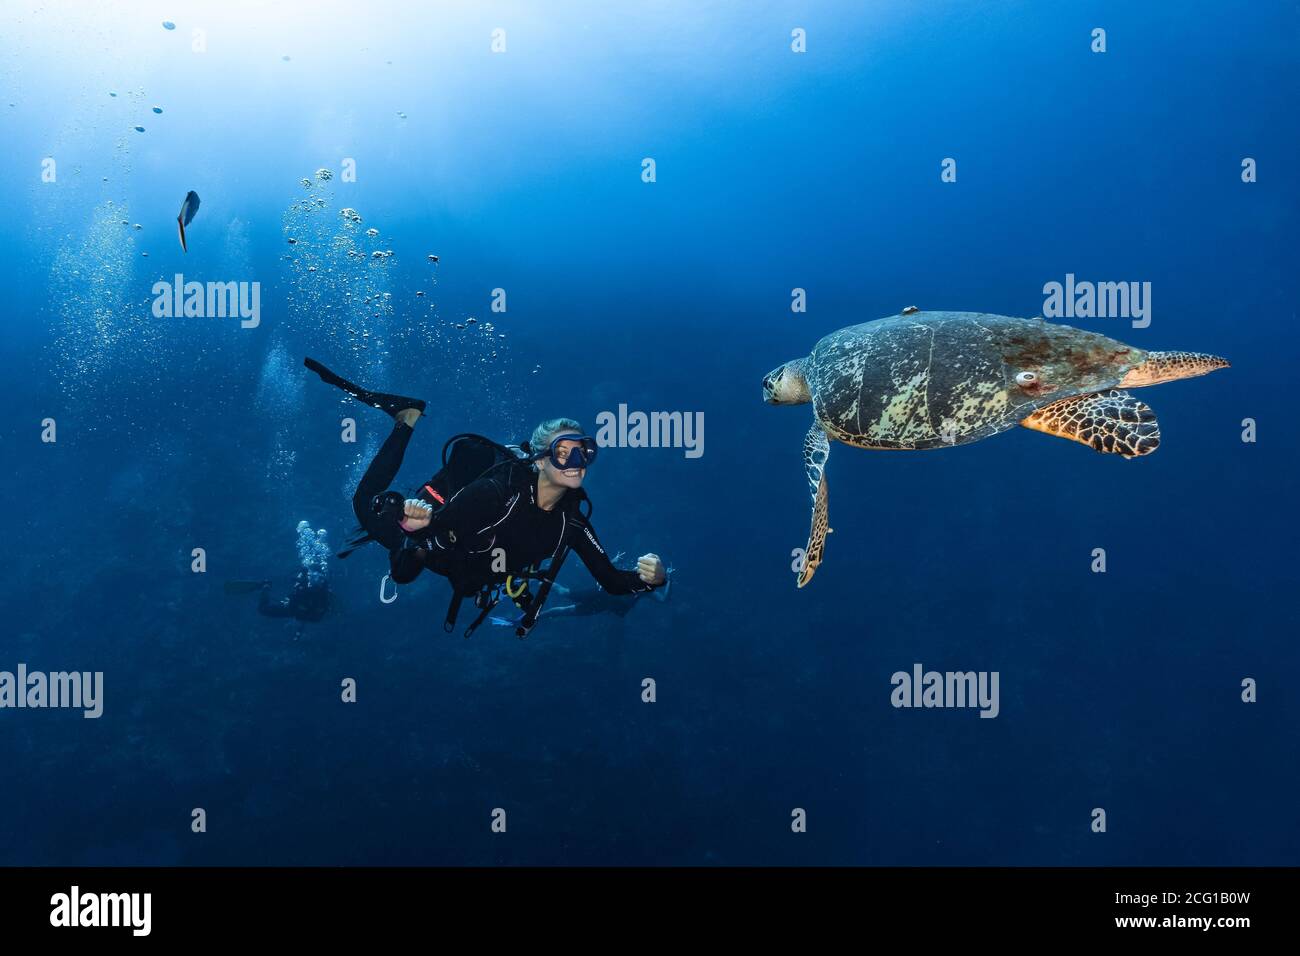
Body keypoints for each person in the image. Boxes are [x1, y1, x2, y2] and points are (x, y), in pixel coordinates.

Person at [304, 357, 667, 635]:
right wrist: (415, 527)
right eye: (564, 452)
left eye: (584, 452)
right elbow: (416, 556)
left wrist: (651, 579)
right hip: (447, 552)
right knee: (368, 508)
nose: (577, 462)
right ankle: (406, 418)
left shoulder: (572, 522)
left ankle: (408, 426)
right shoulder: (494, 492)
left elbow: (613, 582)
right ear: (540, 460)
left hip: (476, 571)